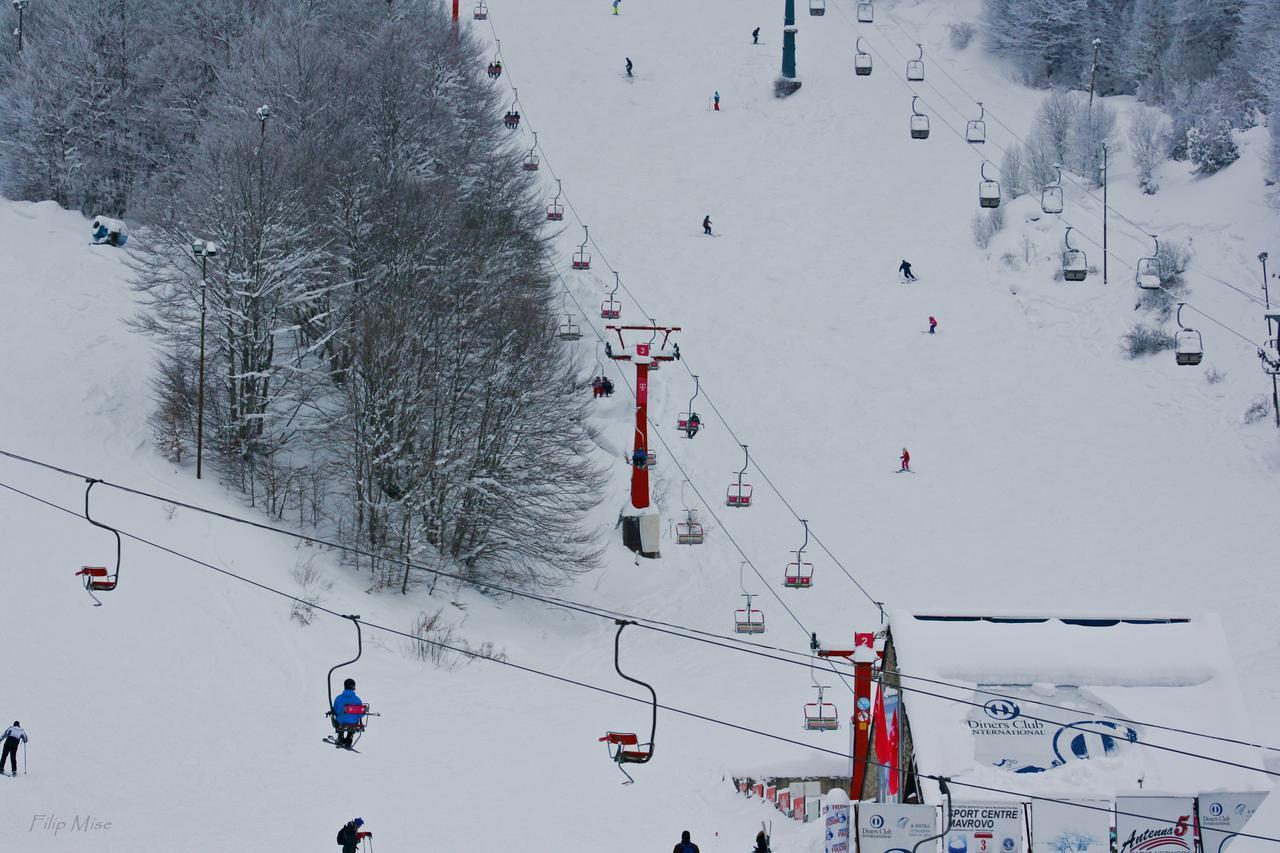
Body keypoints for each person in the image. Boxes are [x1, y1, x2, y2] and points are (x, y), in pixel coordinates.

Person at [331, 678, 365, 749]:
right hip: (353, 723)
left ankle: (340, 737)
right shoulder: (357, 700)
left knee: (337, 719)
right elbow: (361, 713)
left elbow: (335, 711)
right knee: (354, 721)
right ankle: (349, 738)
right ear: (353, 687)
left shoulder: (338, 698)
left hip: (341, 722)